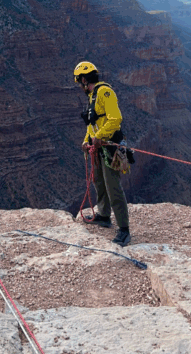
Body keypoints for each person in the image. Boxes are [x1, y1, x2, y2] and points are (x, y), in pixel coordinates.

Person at [73, 61, 132, 247]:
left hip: (110, 147)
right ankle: (104, 215)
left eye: (79, 82)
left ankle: (124, 229)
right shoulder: (92, 96)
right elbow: (93, 125)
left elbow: (116, 119)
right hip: (98, 147)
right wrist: (87, 140)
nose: (79, 86)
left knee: (112, 186)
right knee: (98, 181)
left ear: (84, 79)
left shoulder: (105, 92)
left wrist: (98, 137)